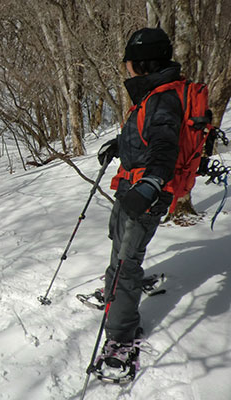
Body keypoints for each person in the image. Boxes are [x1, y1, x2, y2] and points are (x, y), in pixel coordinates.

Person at [96, 27, 183, 368]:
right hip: (132, 187)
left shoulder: (163, 98)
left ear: (143, 63)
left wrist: (150, 185)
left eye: (129, 62)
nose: (127, 68)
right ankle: (117, 295)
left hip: (144, 194)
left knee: (125, 264)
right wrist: (119, 145)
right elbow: (146, 138)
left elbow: (164, 146)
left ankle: (121, 335)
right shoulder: (151, 95)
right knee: (119, 249)